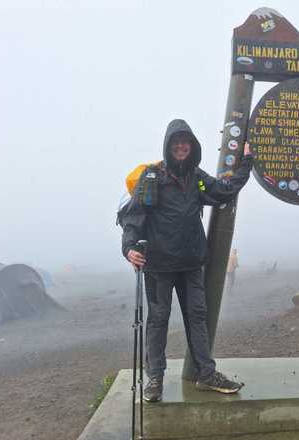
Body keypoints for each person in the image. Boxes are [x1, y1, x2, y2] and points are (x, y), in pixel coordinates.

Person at [121, 119, 252, 402]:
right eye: (176, 142)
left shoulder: (197, 177)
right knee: (158, 320)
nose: (181, 146)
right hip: (159, 266)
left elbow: (224, 189)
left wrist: (247, 163)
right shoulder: (152, 177)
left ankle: (206, 374)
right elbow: (133, 216)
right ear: (168, 146)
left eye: (186, 142)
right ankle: (155, 378)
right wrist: (129, 247)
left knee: (197, 317)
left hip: (191, 264)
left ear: (192, 147)